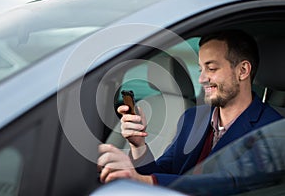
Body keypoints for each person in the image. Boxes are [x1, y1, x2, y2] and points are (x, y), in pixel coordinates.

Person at [97, 30, 283, 186]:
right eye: (200, 69)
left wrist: (144, 180)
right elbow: (163, 170)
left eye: (211, 68)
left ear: (242, 71)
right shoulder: (192, 117)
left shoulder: (274, 130)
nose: (201, 79)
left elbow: (226, 184)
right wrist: (138, 145)